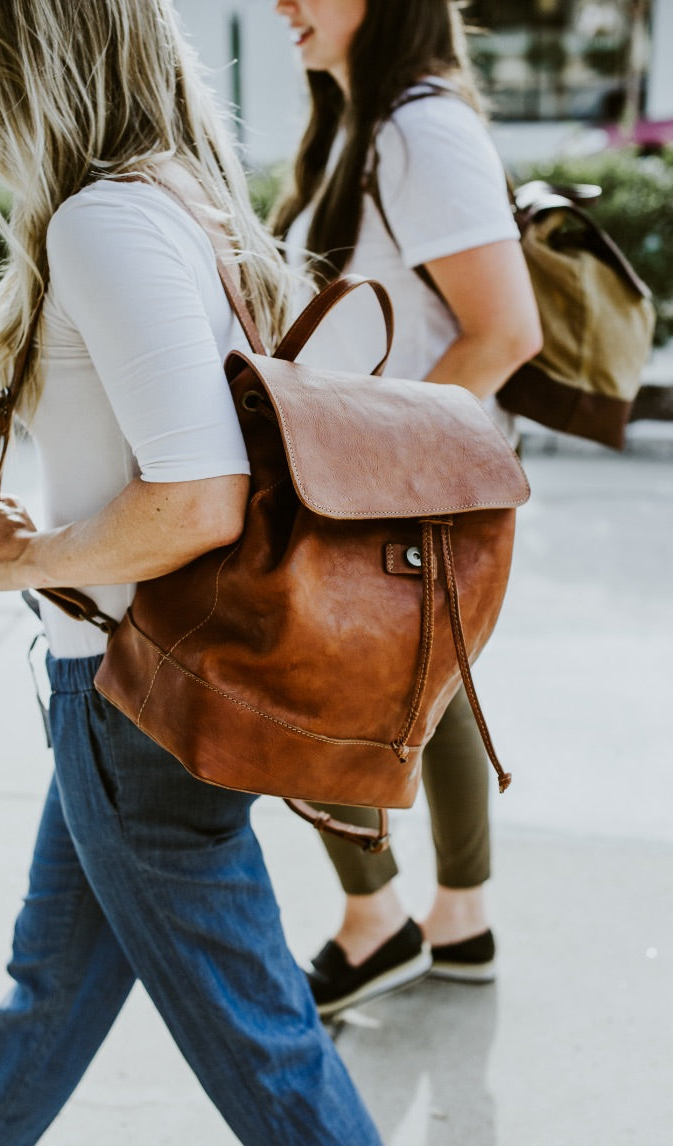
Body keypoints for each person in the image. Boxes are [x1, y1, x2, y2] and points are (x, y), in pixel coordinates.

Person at [0, 1, 383, 1142]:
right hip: (135, 694)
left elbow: (196, 499)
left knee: (269, 1050)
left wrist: (21, 560)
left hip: (137, 703)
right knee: (47, 1002)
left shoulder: (107, 221)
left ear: (8, 58)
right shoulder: (181, 199)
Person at [272, 0, 542, 1016]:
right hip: (377, 479)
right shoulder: (363, 123)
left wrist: (384, 472)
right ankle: (459, 921)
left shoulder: (420, 128)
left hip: (395, 486)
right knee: (432, 683)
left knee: (324, 690)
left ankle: (373, 923)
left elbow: (505, 331)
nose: (283, 3)